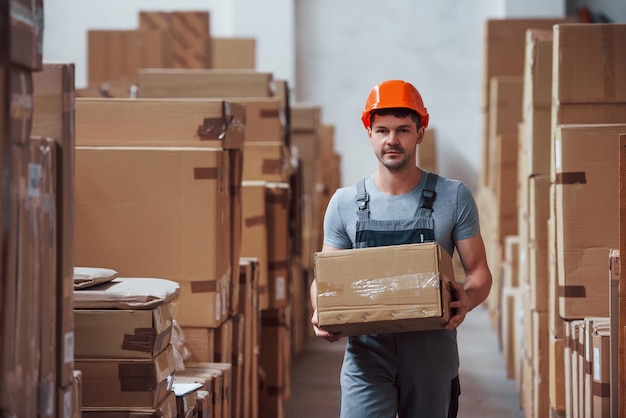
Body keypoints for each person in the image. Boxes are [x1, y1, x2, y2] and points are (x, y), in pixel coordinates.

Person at [309, 79, 493, 418]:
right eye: (382, 130)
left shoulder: (453, 197)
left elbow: (479, 271)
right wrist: (321, 311)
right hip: (367, 353)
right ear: (370, 133)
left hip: (432, 352)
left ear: (420, 133)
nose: (392, 140)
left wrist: (466, 298)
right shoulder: (345, 203)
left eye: (403, 130)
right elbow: (326, 279)